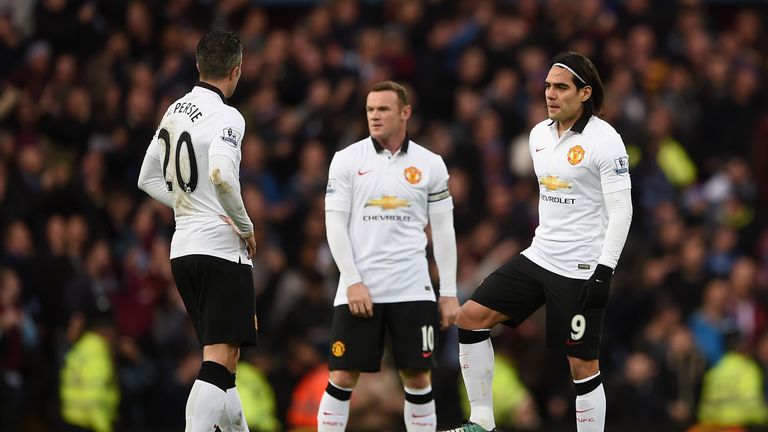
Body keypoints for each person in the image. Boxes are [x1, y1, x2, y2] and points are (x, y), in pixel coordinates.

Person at [446, 52, 633, 432]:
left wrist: (603, 272)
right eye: (547, 85)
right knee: (470, 318)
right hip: (540, 256)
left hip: (581, 268)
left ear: (584, 93)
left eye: (561, 86)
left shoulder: (606, 140)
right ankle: (481, 422)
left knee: (582, 366)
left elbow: (622, 211)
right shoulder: (538, 136)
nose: (550, 93)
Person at [318, 80, 459, 432]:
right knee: (341, 374)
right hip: (359, 288)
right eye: (370, 110)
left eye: (383, 109)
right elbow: (334, 225)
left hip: (413, 288)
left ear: (405, 113)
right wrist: (352, 281)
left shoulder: (431, 164)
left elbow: (443, 232)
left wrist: (449, 293)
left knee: (417, 376)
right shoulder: (347, 160)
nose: (375, 116)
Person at [138, 30, 257, 432]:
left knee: (225, 361)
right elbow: (222, 173)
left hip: (183, 249)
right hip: (219, 250)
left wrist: (187, 206)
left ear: (198, 66)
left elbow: (146, 178)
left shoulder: (174, 109)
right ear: (236, 70)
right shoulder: (228, 116)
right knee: (219, 360)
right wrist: (244, 225)